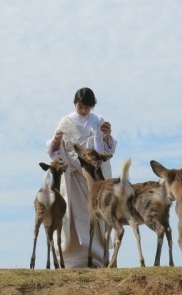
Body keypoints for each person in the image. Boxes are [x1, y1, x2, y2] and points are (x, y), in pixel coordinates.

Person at [46, 87, 116, 267]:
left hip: (93, 176)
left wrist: (107, 135)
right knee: (73, 212)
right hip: (73, 177)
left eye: (87, 108)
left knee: (97, 213)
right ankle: (72, 259)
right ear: (75, 104)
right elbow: (54, 150)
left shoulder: (98, 120)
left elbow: (107, 151)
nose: (83, 110)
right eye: (80, 107)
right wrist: (56, 140)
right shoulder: (65, 121)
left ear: (92, 107)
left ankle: (98, 257)